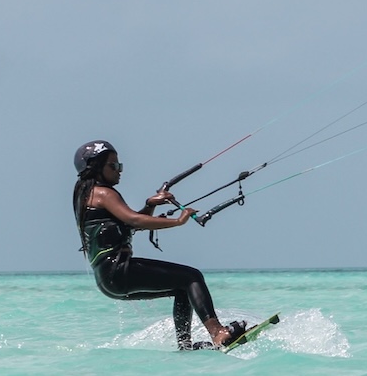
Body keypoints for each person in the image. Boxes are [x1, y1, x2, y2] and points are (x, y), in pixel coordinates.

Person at [72, 140, 246, 350]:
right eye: (114, 166)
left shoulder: (86, 195)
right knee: (192, 277)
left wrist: (149, 205)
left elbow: (130, 223)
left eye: (120, 166)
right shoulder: (103, 193)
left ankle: (185, 345)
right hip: (118, 270)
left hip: (107, 280)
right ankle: (218, 333)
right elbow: (135, 221)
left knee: (183, 289)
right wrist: (178, 221)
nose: (120, 171)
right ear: (95, 167)